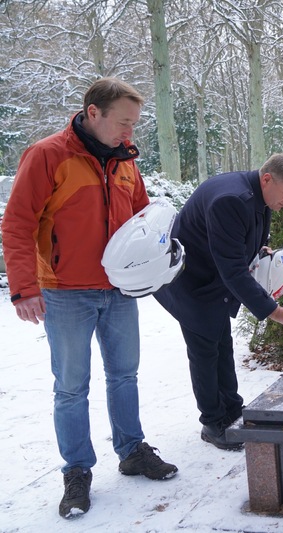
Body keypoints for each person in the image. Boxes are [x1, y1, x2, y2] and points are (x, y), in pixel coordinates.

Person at [0, 78, 178, 519]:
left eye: (134, 124)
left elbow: (144, 221)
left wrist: (157, 261)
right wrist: (24, 287)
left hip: (118, 291)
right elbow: (17, 224)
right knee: (71, 387)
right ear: (93, 113)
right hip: (65, 292)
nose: (129, 133)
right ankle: (77, 470)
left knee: (125, 375)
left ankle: (132, 449)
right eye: (123, 123)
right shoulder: (48, 155)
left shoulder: (125, 161)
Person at [154, 153, 283, 450]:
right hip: (190, 283)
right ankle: (213, 422)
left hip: (212, 279)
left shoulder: (258, 194)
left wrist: (258, 251)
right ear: (267, 179)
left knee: (222, 345)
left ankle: (232, 410)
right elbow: (232, 270)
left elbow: (238, 242)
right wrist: (276, 312)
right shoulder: (231, 199)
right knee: (206, 351)